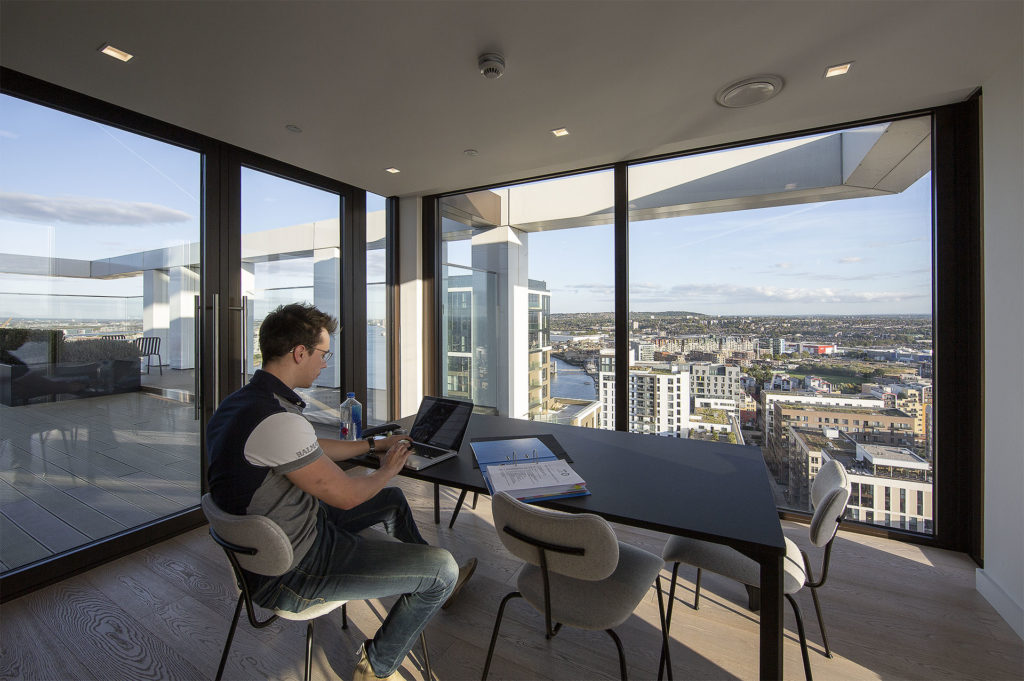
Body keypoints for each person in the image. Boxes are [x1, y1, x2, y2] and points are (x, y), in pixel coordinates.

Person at [207, 302, 476, 681]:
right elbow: (348, 496)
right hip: (295, 571)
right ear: (299, 353)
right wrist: (388, 469)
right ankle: (378, 665)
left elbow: (311, 445)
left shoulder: (243, 404)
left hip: (281, 542)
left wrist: (374, 446)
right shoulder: (277, 420)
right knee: (443, 568)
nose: (325, 363)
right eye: (323, 353)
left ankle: (418, 577)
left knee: (392, 502)